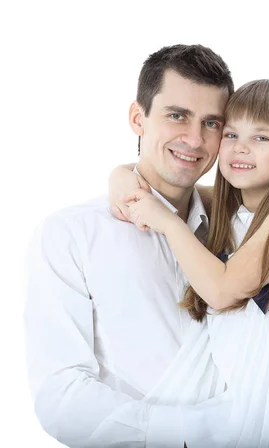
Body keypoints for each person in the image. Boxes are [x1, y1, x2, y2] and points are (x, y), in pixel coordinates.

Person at [112, 79, 269, 447]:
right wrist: (119, 177)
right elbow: (161, 187)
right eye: (231, 134)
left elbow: (223, 291)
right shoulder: (229, 207)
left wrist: (166, 222)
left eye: (261, 138)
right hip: (251, 379)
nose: (241, 148)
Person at [25, 44, 234, 447]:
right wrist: (193, 432)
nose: (194, 139)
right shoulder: (71, 234)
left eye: (212, 123)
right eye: (178, 116)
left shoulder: (239, 232)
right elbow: (60, 393)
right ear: (138, 118)